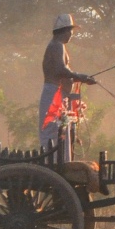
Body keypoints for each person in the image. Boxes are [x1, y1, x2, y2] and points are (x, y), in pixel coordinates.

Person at [40, 14, 98, 148]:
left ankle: (60, 161)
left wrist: (81, 78)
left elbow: (62, 71)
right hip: (54, 94)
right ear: (65, 31)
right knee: (53, 131)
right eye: (71, 31)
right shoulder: (57, 45)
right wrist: (80, 76)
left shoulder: (58, 45)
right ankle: (54, 162)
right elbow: (60, 69)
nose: (71, 35)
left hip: (59, 95)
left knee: (62, 131)